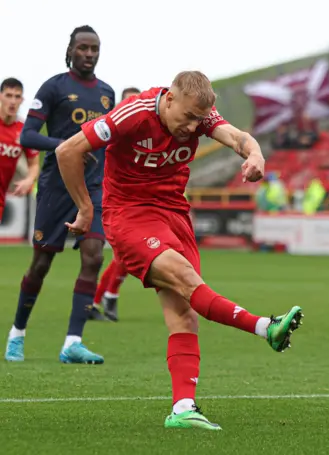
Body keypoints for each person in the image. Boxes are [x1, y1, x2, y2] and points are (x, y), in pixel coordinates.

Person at [55, 71, 304, 430]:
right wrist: (85, 208)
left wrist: (256, 155)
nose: (191, 127)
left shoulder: (200, 117)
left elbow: (237, 136)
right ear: (169, 98)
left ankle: (183, 409)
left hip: (174, 215)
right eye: (186, 117)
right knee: (188, 280)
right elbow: (68, 150)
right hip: (130, 216)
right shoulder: (134, 113)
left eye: (198, 120)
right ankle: (266, 327)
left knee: (184, 315)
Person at [4, 26, 114, 364]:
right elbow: (28, 136)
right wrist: (66, 147)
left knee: (94, 256)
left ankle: (72, 343)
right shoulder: (54, 87)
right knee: (41, 264)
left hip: (92, 189)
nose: (89, 54)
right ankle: (17, 334)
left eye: (94, 48)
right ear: (70, 50)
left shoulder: (108, 94)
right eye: (83, 48)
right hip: (56, 187)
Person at [90, 86, 142, 322]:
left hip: (137, 202)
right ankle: (107, 297)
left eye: (135, 102)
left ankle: (98, 299)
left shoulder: (145, 136)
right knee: (124, 254)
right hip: (110, 200)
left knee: (124, 256)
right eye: (127, 102)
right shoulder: (109, 131)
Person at [0, 78, 40, 221]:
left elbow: (34, 163)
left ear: (22, 100)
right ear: (0, 96)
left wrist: (29, 180)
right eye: (8, 95)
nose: (13, 101)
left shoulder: (24, 130)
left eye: (17, 97)